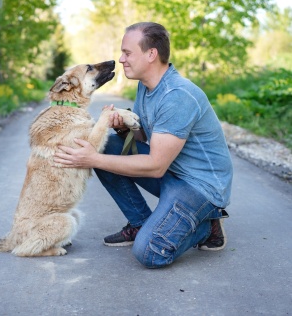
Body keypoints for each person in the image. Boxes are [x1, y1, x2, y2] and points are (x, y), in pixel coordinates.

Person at [53, 22, 233, 269]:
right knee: (107, 145)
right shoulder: (147, 86)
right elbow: (142, 138)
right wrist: (122, 127)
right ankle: (140, 222)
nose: (121, 59)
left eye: (127, 53)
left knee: (149, 253)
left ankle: (206, 226)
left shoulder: (177, 96)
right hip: (174, 172)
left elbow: (156, 166)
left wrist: (91, 159)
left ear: (151, 54)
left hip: (200, 186)